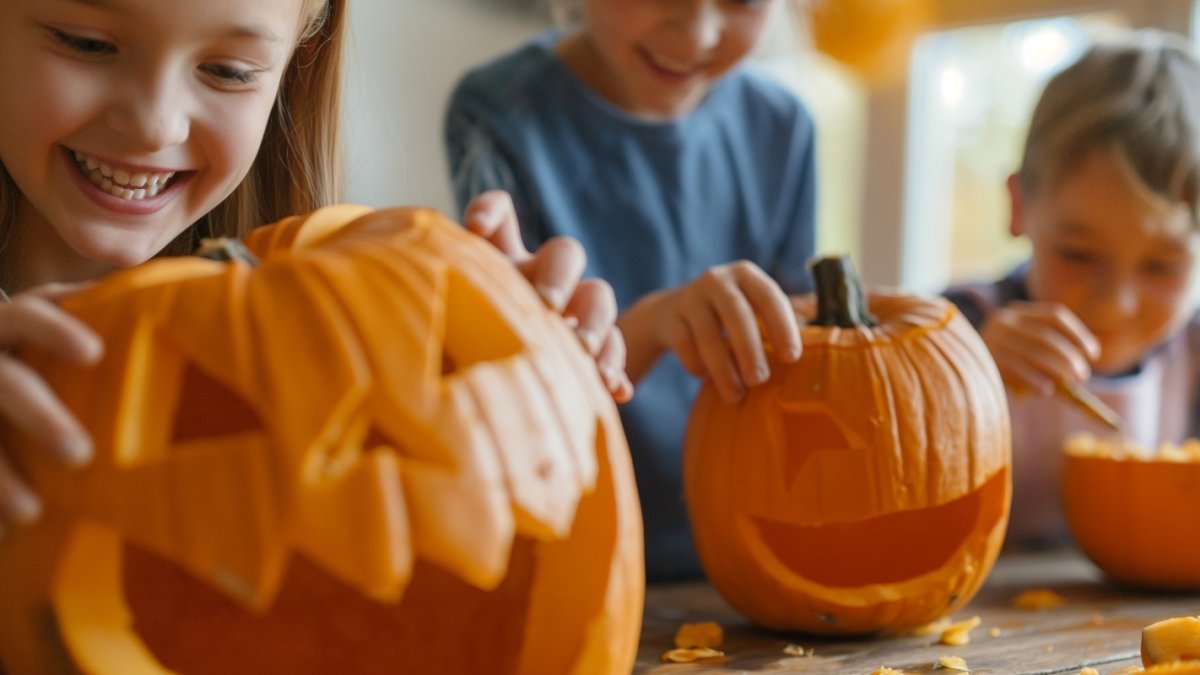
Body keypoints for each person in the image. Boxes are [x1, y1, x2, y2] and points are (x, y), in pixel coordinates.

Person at [0, 0, 629, 537]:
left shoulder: (318, 321)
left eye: (227, 70)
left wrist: (508, 367)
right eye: (85, 43)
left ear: (291, 71)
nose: (153, 124)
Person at [445, 0, 815, 580]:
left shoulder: (784, 128)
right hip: (578, 557)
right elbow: (521, 398)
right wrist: (654, 323)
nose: (697, 33)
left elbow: (801, 369)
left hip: (754, 560)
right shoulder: (498, 111)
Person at [945, 29, 1200, 547]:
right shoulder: (957, 326)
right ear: (1019, 207)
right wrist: (963, 372)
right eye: (1078, 255)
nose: (1114, 304)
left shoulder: (1194, 358)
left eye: (1162, 266)